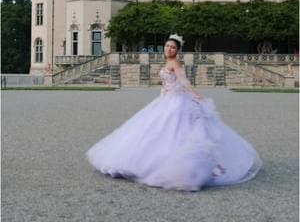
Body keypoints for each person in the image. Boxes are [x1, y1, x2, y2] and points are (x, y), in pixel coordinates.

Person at [86, 34, 262, 191]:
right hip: (166, 100)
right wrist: (162, 97)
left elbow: (183, 81)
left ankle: (174, 165)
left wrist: (195, 94)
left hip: (178, 101)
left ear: (177, 50)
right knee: (154, 132)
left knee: (173, 132)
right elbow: (165, 84)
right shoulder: (167, 62)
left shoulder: (175, 62)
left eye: (173, 47)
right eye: (167, 46)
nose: (169, 49)